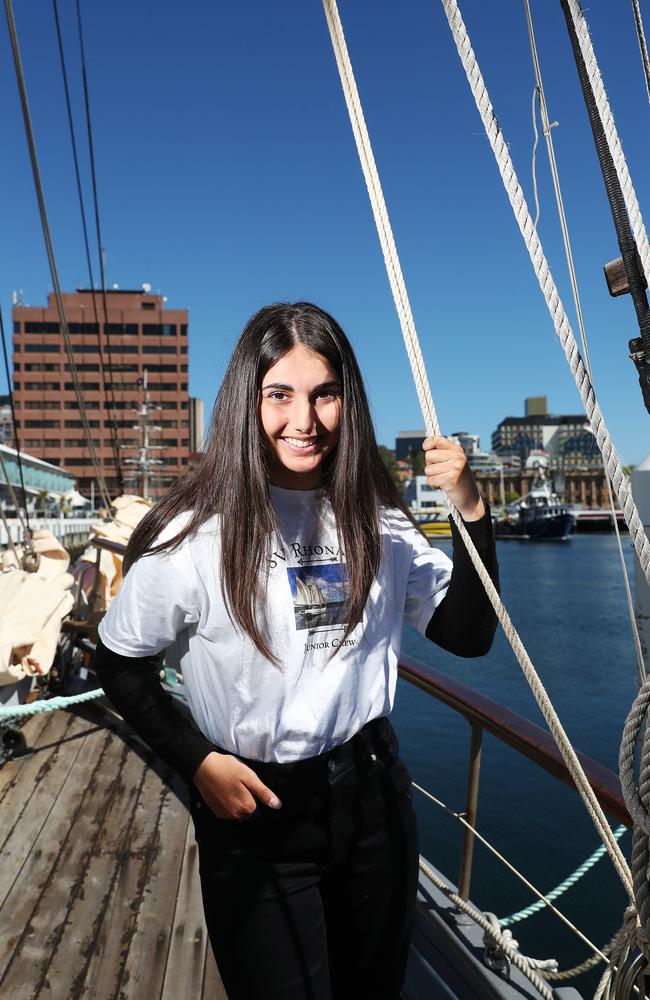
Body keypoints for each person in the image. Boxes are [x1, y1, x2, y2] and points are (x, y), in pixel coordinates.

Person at [94, 301, 498, 1000]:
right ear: (246, 403)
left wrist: (468, 504)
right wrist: (198, 762)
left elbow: (468, 634)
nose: (303, 421)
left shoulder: (379, 520)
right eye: (279, 395)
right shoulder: (192, 537)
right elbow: (119, 666)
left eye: (325, 395)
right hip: (256, 815)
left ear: (349, 402)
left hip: (374, 800)